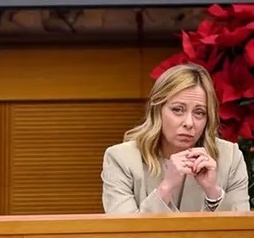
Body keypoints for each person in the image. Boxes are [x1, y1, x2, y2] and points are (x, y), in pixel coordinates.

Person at [101, 63, 250, 213]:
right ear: (157, 110)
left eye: (199, 112)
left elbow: (243, 226)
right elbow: (124, 227)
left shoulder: (230, 158)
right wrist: (165, 189)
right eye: (178, 110)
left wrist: (214, 193)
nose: (189, 123)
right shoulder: (122, 159)